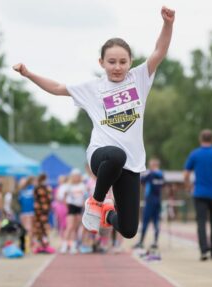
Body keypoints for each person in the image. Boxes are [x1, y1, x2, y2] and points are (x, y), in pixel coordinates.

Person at [13, 6, 175, 239]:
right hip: (102, 155)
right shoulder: (93, 88)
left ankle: (107, 214)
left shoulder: (139, 79)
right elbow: (58, 88)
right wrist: (29, 74)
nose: (117, 67)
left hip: (132, 162)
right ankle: (96, 201)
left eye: (122, 61)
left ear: (130, 62)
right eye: (111, 62)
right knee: (116, 155)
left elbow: (159, 51)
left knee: (129, 230)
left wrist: (168, 24)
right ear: (101, 63)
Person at [183, 129, 212, 261]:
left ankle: (204, 250)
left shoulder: (195, 154)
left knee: (201, 222)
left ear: (200, 139)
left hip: (199, 194)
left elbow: (186, 174)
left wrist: (188, 186)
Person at [133, 158, 164, 249]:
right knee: (156, 221)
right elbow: (163, 185)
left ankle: (141, 242)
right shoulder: (161, 175)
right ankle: (155, 242)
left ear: (153, 165)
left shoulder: (150, 174)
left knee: (145, 221)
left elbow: (141, 180)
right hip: (158, 200)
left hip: (150, 200)